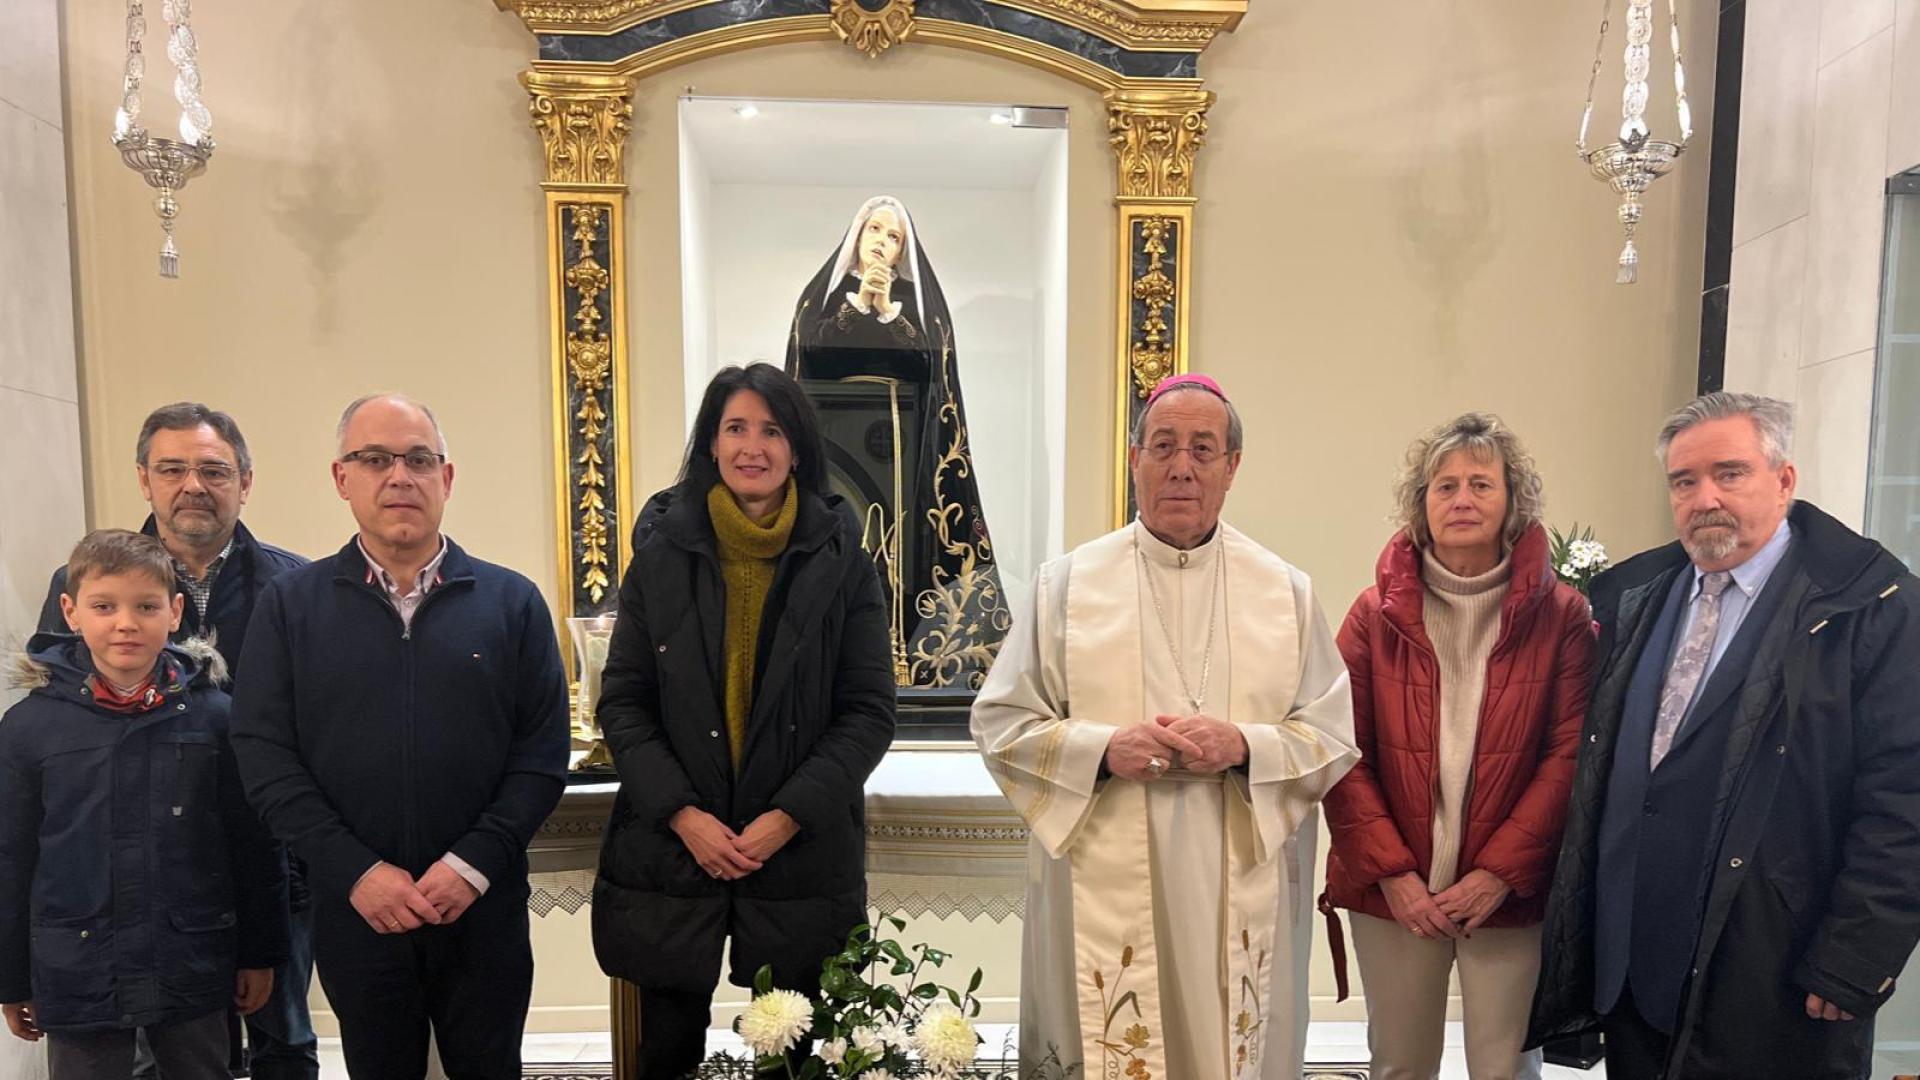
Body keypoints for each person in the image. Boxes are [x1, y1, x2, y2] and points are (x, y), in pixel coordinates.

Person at [971, 374, 1359, 1079]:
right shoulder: (1067, 586)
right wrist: (1099, 748)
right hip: (1101, 865)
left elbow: (1332, 734)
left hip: (1236, 865)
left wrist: (1243, 745)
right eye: (1164, 446)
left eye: (1203, 449)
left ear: (1232, 467)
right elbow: (1001, 722)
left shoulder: (1284, 591)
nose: (1182, 466)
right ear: (1134, 460)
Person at [1527, 392, 1920, 1079]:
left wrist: (1857, 956)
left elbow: (1905, 797)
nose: (1704, 496)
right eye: (1684, 481)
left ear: (1785, 480)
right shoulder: (1638, 595)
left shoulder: (1868, 607)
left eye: (1729, 473)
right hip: (1634, 971)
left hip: (1773, 973)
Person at [231, 394, 569, 1080]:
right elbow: (265, 756)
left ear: (446, 479)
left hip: (482, 908)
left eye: (419, 460)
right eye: (375, 459)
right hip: (359, 912)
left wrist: (470, 865)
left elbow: (540, 757)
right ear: (341, 478)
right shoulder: (290, 608)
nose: (399, 476)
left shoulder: (512, 603)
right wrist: (355, 872)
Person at [592, 363, 896, 1080]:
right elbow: (624, 702)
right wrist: (684, 814)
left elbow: (868, 711)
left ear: (797, 450)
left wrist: (785, 817)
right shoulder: (660, 555)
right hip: (673, 852)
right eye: (735, 428)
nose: (751, 446)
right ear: (710, 443)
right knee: (664, 1053)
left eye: (771, 430)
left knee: (790, 1057)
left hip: (796, 854)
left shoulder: (845, 564)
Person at [35, 401, 318, 1079]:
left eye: (214, 470)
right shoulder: (85, 581)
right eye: (173, 468)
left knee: (282, 1035)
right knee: (158, 1052)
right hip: (141, 870)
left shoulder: (296, 586)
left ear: (246, 481)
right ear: (144, 479)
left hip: (269, 859)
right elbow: (60, 711)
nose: (194, 484)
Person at [1320, 413, 1593, 1080]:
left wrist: (1498, 873)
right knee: (1400, 1064)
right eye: (1444, 486)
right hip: (1397, 889)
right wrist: (1394, 875)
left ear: (1512, 503)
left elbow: (1571, 756)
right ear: (1422, 504)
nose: (1462, 500)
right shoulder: (1371, 614)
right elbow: (1338, 748)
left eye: (1480, 484)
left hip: (1509, 890)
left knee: (1504, 1067)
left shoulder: (1563, 617)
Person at [0, 530, 288, 1079]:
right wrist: (11, 978)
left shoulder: (217, 719)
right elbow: (11, 857)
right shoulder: (28, 728)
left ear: (176, 611)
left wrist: (260, 951)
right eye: (104, 606)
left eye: (146, 606)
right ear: (71, 611)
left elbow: (252, 843)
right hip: (77, 966)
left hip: (191, 955)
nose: (126, 623)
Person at [785, 196, 1007, 689]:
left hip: (902, 449)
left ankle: (906, 661)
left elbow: (930, 370)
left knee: (898, 547)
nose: (882, 245)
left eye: (894, 238)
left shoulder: (914, 302)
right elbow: (809, 359)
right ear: (857, 237)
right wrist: (859, 305)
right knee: (846, 540)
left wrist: (886, 312)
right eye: (875, 231)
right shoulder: (822, 297)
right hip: (837, 446)